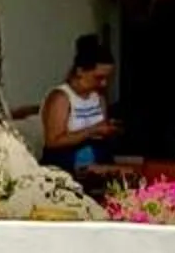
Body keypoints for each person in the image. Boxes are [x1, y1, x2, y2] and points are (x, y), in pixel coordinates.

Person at [41, 35, 119, 170]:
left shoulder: (98, 97)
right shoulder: (61, 98)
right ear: (80, 71)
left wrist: (106, 129)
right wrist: (91, 131)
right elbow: (52, 142)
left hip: (97, 155)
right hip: (66, 160)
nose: (104, 83)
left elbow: (100, 131)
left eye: (107, 78)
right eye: (98, 78)